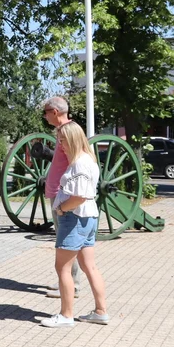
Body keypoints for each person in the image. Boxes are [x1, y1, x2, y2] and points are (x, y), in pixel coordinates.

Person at [39, 121, 110, 328]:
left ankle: (66, 315)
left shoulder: (79, 163)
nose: (60, 145)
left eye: (62, 140)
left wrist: (61, 209)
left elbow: (80, 196)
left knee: (62, 267)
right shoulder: (89, 160)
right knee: (90, 267)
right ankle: (100, 311)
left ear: (72, 139)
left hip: (74, 218)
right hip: (88, 218)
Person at [42, 95, 84, 298]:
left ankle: (71, 285)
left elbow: (75, 162)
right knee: (62, 238)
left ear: (55, 112)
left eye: (46, 112)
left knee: (66, 239)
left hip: (63, 193)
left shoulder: (68, 132)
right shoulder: (61, 131)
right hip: (57, 191)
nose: (45, 116)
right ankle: (65, 279)